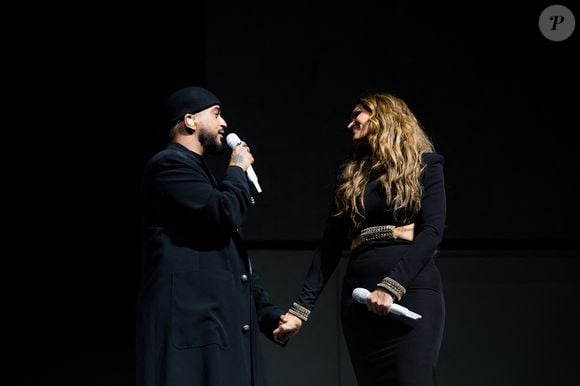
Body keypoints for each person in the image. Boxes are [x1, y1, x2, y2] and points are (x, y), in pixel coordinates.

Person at [273, 92, 446, 386]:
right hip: (358, 300)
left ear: (384, 117)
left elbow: (432, 232)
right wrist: (299, 311)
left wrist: (391, 287)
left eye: (358, 114)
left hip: (412, 293)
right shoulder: (350, 176)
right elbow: (329, 247)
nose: (350, 123)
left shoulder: (426, 166)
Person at [136, 86, 285, 386]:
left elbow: (230, 254)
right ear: (190, 121)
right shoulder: (168, 166)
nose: (224, 123)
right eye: (216, 114)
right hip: (196, 334)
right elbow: (225, 213)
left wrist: (268, 315)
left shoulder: (201, 175)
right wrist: (237, 168)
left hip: (217, 329)